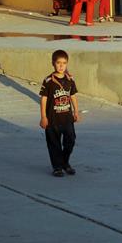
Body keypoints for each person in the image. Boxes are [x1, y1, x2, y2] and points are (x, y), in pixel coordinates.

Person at [38, 49, 81, 177]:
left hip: (67, 118)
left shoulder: (70, 80)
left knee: (71, 140)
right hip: (52, 119)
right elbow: (43, 99)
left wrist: (76, 112)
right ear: (53, 63)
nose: (61, 66)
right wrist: (43, 117)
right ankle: (57, 167)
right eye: (58, 63)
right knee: (54, 144)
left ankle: (64, 162)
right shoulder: (48, 81)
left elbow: (73, 96)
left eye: (64, 63)